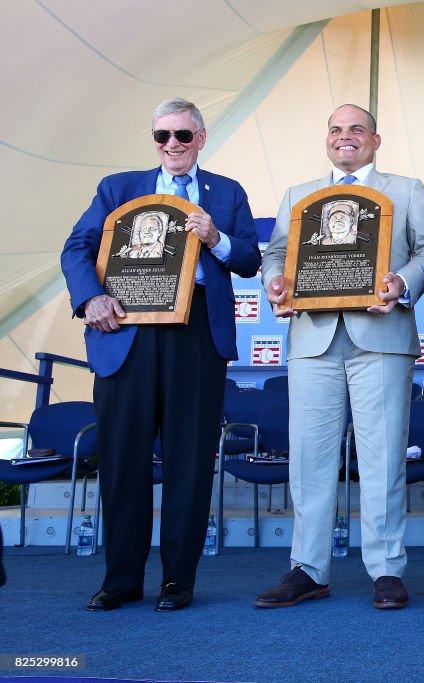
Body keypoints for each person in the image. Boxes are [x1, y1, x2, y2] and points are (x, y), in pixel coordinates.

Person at [61, 98, 261, 612]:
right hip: (125, 332)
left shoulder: (227, 192)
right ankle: (121, 578)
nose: (172, 145)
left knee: (190, 462)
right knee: (123, 459)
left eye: (182, 136)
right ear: (153, 139)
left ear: (200, 138)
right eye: (162, 136)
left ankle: (178, 579)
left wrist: (215, 238)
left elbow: (248, 259)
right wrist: (91, 298)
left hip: (196, 331)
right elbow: (76, 247)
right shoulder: (118, 188)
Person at [256, 104, 424, 610]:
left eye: (356, 129)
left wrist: (403, 281)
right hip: (312, 339)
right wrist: (275, 278)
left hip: (380, 337)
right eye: (336, 129)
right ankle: (308, 569)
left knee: (382, 460)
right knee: (309, 461)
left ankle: (386, 569)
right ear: (327, 138)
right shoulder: (299, 195)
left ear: (375, 140)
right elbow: (275, 253)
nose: (345, 137)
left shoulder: (405, 189)